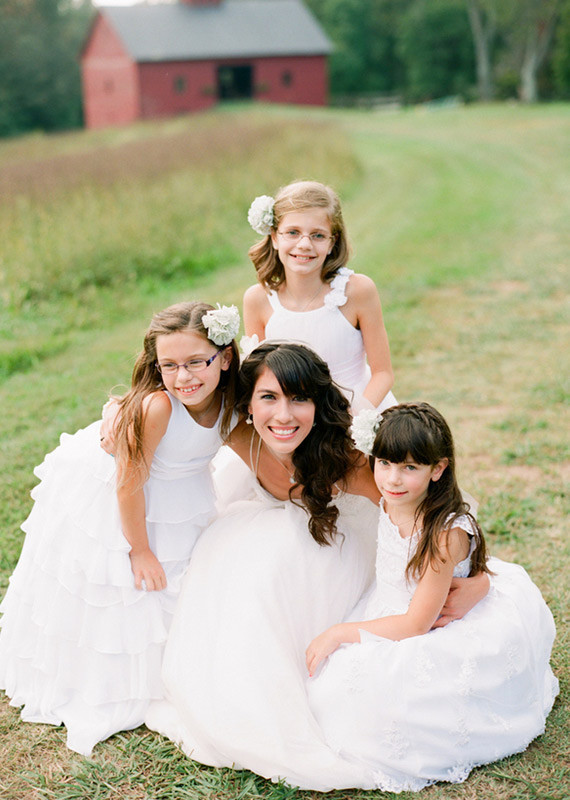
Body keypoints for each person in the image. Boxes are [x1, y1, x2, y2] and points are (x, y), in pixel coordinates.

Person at [145, 345, 488, 791]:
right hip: (264, 520)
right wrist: (124, 408)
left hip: (339, 535)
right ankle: (238, 698)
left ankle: (284, 701)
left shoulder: (349, 460)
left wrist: (479, 580)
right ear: (247, 403)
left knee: (275, 575)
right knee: (234, 569)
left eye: (299, 398)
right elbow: (183, 383)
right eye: (268, 397)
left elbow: (429, 523)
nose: (283, 415)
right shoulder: (235, 427)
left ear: (317, 402)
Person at [0, 301, 240, 756]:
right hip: (123, 495)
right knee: (124, 588)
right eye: (170, 365)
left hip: (180, 496)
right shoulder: (158, 407)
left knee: (183, 580)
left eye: (196, 362)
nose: (184, 376)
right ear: (156, 365)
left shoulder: (231, 401)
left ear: (225, 358)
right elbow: (129, 483)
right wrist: (140, 549)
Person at [306, 403, 559, 792]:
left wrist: (338, 632)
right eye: (385, 463)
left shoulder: (442, 534)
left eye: (410, 467)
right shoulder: (385, 490)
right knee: (338, 688)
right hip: (393, 605)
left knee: (384, 696)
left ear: (437, 469)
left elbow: (416, 624)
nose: (393, 479)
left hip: (428, 623)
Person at [243, 180, 396, 413]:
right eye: (293, 232)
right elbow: (260, 379)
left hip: (358, 410)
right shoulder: (258, 300)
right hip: (293, 418)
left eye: (317, 235)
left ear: (332, 242)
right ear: (274, 237)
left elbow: (383, 374)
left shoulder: (357, 291)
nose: (304, 244)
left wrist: (354, 418)